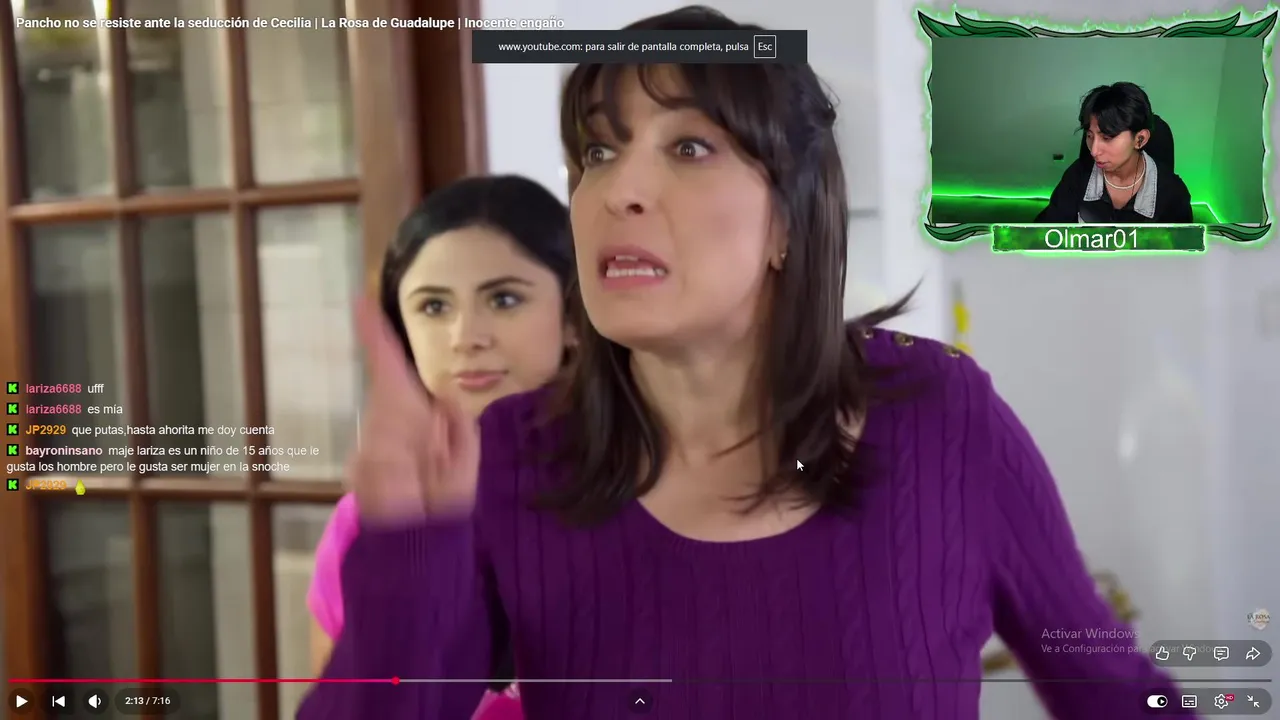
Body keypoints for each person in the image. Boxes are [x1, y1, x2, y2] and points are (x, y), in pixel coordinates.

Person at [300, 7, 1186, 718]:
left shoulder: (941, 413)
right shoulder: (514, 455)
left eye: (688, 148)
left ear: (788, 222)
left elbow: (1115, 693)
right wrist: (408, 553)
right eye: (598, 153)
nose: (619, 190)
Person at [306, 174, 576, 720]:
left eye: (504, 299)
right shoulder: (374, 522)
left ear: (575, 320)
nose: (465, 337)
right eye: (433, 307)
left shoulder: (643, 495)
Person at [1037, 82, 1193, 224]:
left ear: (1140, 139)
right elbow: (1044, 233)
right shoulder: (1077, 176)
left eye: (1107, 138)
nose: (1094, 151)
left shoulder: (1173, 194)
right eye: (1090, 136)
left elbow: (1183, 245)